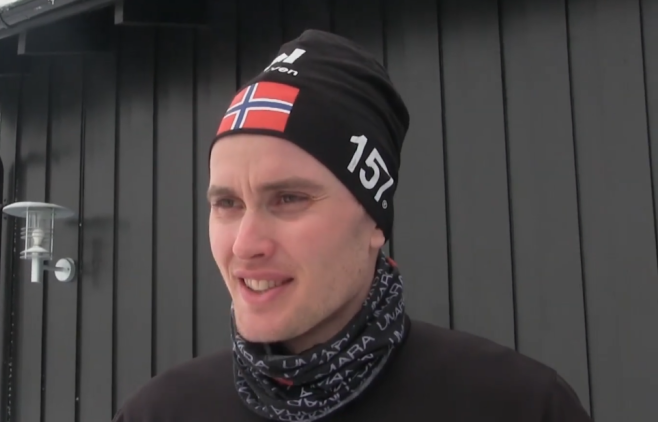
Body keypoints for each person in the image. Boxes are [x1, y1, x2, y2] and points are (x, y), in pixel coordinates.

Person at [112, 29, 592, 422]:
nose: (245, 244)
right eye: (227, 203)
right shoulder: (157, 414)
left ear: (374, 220)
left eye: (289, 199)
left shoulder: (519, 406)